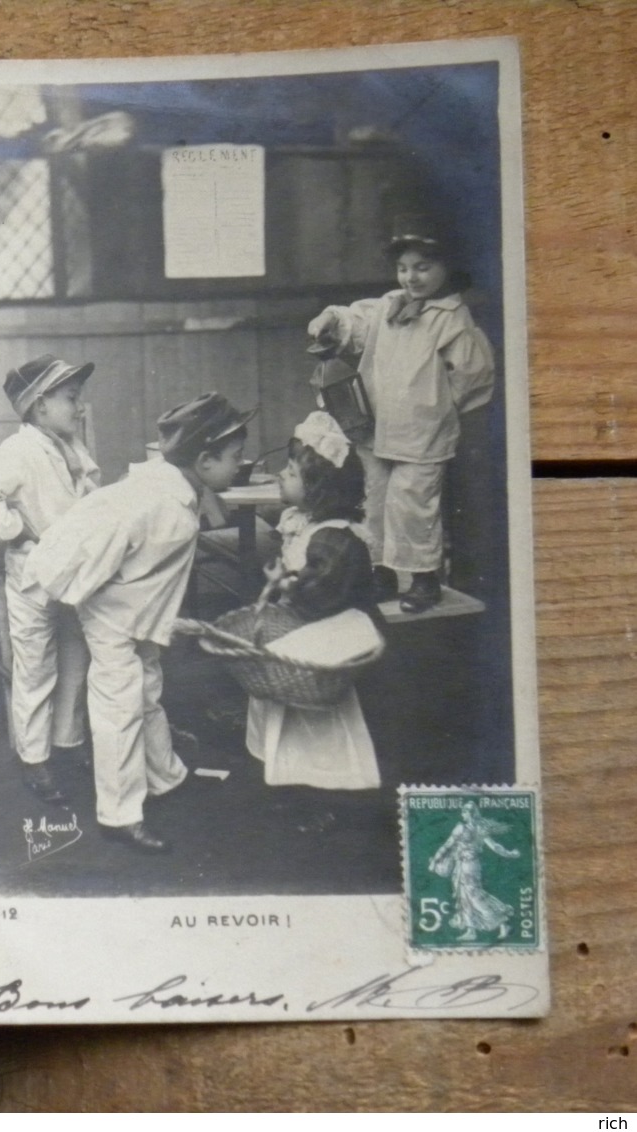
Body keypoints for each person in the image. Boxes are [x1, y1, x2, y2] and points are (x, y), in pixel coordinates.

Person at [29, 392, 254, 853]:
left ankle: (165, 777)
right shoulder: (155, 502)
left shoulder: (173, 489)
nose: (241, 464)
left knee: (148, 688)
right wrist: (92, 601)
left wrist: (156, 622)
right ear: (205, 459)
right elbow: (101, 550)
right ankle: (119, 814)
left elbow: (149, 573)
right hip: (111, 613)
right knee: (120, 707)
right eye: (235, 458)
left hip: (134, 612)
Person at [306, 215, 495, 614]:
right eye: (403, 268)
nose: (411, 277)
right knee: (376, 500)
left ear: (447, 268)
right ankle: (383, 572)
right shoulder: (389, 306)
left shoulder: (451, 320)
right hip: (376, 424)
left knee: (414, 502)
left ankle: (424, 577)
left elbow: (472, 374)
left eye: (423, 268)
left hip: (422, 429)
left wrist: (436, 407)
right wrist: (331, 320)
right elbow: (355, 321)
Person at [0, 354, 100, 804]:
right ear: (39, 406)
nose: (78, 408)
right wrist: (17, 531)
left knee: (76, 657)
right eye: (71, 399)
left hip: (75, 574)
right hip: (33, 577)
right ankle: (34, 758)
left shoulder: (70, 447)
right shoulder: (19, 451)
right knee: (36, 667)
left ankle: (67, 742)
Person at [245, 412, 382, 791]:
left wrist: (285, 584)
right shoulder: (307, 524)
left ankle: (319, 767)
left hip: (331, 627)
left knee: (285, 669)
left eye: (290, 472)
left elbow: (321, 592)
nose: (280, 476)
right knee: (275, 665)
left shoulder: (333, 538)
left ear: (318, 488)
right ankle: (286, 758)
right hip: (311, 619)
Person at [429, 801, 521, 942]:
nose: (462, 814)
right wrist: (435, 860)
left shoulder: (477, 829)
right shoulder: (463, 828)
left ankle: (502, 921)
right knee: (463, 896)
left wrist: (509, 854)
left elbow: (494, 846)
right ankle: (471, 930)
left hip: (471, 866)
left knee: (474, 896)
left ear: (470, 813)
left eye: (465, 812)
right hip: (461, 865)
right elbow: (448, 845)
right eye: (463, 812)